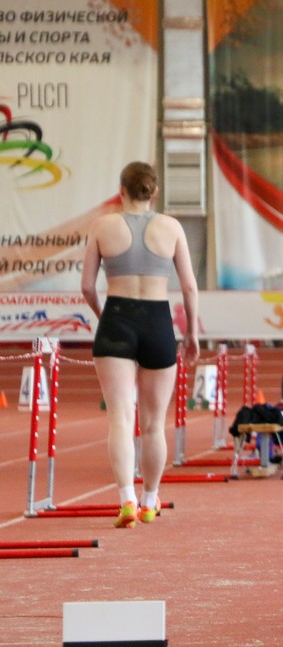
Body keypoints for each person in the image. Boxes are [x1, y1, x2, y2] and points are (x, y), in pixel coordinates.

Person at [80, 162, 200, 528]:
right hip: (158, 322)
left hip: (117, 318)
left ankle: (127, 500)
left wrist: (105, 317)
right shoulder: (171, 227)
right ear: (154, 192)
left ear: (121, 190)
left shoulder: (102, 226)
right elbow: (189, 287)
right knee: (153, 424)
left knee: (120, 418)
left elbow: (87, 287)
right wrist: (192, 335)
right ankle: (150, 500)